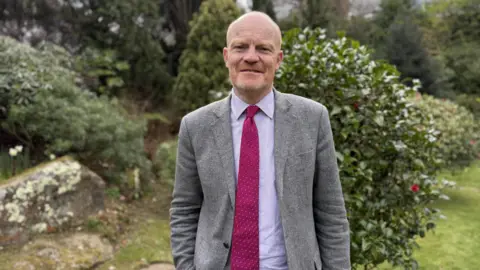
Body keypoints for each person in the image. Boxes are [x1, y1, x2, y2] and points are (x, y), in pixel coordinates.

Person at [169, 11, 350, 270]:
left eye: (263, 49)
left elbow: (331, 212)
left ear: (278, 60)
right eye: (240, 47)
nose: (251, 57)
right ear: (226, 56)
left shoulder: (312, 119)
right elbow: (184, 209)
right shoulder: (195, 126)